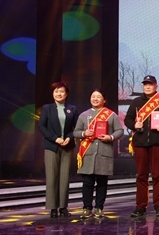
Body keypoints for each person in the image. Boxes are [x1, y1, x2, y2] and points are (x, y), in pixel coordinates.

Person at [124, 75, 159, 217]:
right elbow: (128, 119)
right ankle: (141, 206)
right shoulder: (136, 102)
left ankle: (158, 206)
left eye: (150, 84)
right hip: (140, 143)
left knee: (157, 175)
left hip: (157, 142)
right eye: (145, 84)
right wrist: (134, 125)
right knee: (141, 175)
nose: (147, 87)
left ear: (156, 86)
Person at [73, 89, 124, 218]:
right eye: (93, 96)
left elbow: (120, 130)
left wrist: (110, 137)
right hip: (88, 154)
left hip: (104, 153)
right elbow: (76, 132)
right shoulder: (84, 115)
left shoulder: (111, 115)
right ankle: (87, 208)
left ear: (104, 100)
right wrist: (84, 133)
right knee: (87, 183)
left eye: (98, 97)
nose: (95, 99)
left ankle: (99, 208)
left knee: (102, 183)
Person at [38, 82, 78, 218]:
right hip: (51, 146)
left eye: (61, 91)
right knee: (52, 177)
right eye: (56, 91)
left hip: (67, 146)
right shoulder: (47, 108)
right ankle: (53, 207)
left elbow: (76, 128)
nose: (58, 94)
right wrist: (55, 138)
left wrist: (69, 137)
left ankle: (63, 207)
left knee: (65, 177)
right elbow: (41, 126)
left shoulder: (72, 109)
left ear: (66, 94)